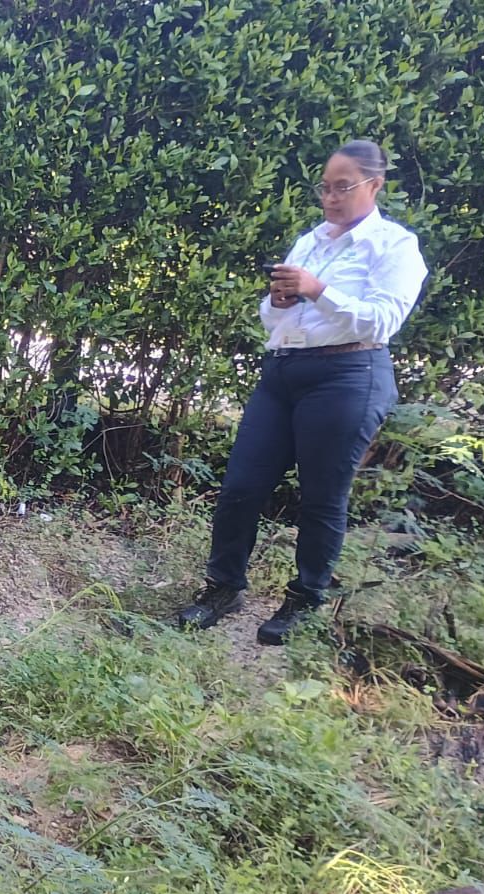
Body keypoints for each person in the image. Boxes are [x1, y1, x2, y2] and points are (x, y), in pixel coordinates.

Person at [176, 139, 427, 645]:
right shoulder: (313, 241)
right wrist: (280, 300)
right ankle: (222, 588)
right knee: (241, 487)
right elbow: (275, 319)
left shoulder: (394, 247)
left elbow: (383, 320)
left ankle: (304, 599)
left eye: (343, 187)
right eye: (326, 188)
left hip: (348, 374)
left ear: (374, 186)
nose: (331, 198)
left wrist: (317, 289)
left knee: (320, 497)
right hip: (284, 370)